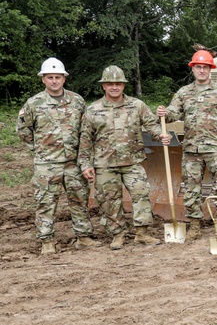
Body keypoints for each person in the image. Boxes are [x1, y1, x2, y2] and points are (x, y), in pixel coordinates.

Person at [78, 65, 171, 250]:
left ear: (123, 85)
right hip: (105, 164)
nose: (114, 87)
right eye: (110, 84)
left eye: (118, 83)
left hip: (132, 162)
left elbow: (151, 124)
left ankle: (142, 233)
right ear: (104, 86)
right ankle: (117, 234)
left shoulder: (137, 105)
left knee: (141, 193)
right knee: (108, 200)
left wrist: (160, 134)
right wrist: (84, 164)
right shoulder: (93, 110)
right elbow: (85, 140)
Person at [157, 50, 217, 241]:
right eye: (199, 67)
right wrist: (164, 112)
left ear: (210, 69)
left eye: (205, 67)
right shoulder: (184, 93)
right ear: (193, 69)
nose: (202, 70)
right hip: (192, 149)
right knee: (191, 188)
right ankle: (195, 226)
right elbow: (173, 113)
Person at [17, 58, 99, 255]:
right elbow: (23, 129)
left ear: (64, 79)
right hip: (47, 164)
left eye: (58, 77)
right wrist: (37, 149)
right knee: (45, 203)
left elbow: (85, 130)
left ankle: (84, 237)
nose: (54, 81)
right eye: (50, 77)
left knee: (79, 200)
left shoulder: (77, 101)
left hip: (73, 162)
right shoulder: (34, 103)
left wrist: (84, 156)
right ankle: (46, 240)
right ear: (43, 79)